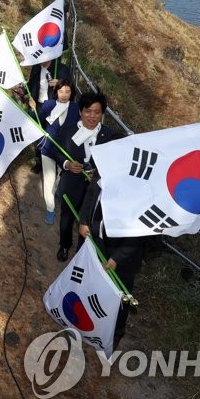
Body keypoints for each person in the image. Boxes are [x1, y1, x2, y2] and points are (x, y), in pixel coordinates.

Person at [51, 91, 123, 262]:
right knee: (66, 218)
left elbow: (115, 161)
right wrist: (68, 164)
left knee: (88, 223)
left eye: (97, 112)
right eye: (88, 111)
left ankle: (80, 255)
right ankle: (64, 244)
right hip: (71, 184)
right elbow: (56, 151)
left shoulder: (110, 136)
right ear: (80, 112)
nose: (92, 116)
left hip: (95, 191)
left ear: (102, 114)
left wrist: (99, 175)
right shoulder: (68, 131)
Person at [79, 177, 144, 346]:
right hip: (95, 241)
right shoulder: (103, 168)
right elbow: (90, 194)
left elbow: (140, 234)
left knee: (119, 298)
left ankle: (116, 334)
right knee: (92, 284)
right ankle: (88, 320)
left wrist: (116, 258)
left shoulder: (140, 191)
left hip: (123, 257)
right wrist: (83, 221)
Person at [38, 78, 80, 225]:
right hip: (48, 148)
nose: (64, 94)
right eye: (61, 91)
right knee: (48, 180)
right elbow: (36, 120)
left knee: (60, 178)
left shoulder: (75, 108)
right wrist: (32, 109)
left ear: (72, 93)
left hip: (65, 151)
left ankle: (55, 192)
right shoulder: (49, 104)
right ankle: (50, 209)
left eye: (67, 91)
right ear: (56, 92)